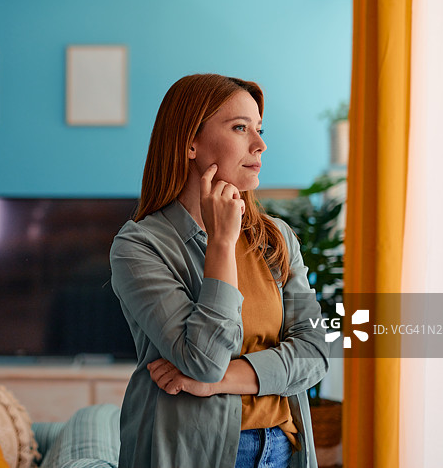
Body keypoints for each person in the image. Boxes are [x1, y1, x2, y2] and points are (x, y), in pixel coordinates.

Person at [109, 74, 329, 468]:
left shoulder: (278, 238)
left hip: (282, 449)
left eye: (259, 129)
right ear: (189, 142)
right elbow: (204, 361)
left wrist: (217, 383)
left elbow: (315, 352)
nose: (260, 144)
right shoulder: (140, 245)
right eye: (240, 128)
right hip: (192, 454)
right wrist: (222, 244)